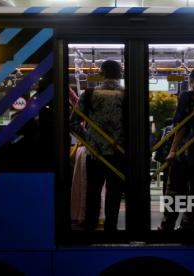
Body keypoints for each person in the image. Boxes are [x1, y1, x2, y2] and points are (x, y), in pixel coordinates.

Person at [70, 60, 126, 232]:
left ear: (101, 74)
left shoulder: (89, 94)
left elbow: (73, 123)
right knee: (114, 193)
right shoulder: (129, 95)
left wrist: (91, 141)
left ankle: (90, 227)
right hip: (119, 153)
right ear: (121, 74)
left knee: (93, 192)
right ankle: (111, 228)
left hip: (95, 153)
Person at [159, 67, 194, 231]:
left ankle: (167, 224)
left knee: (174, 190)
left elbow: (181, 125)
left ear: (192, 81)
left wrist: (173, 150)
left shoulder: (187, 96)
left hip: (184, 150)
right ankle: (187, 224)